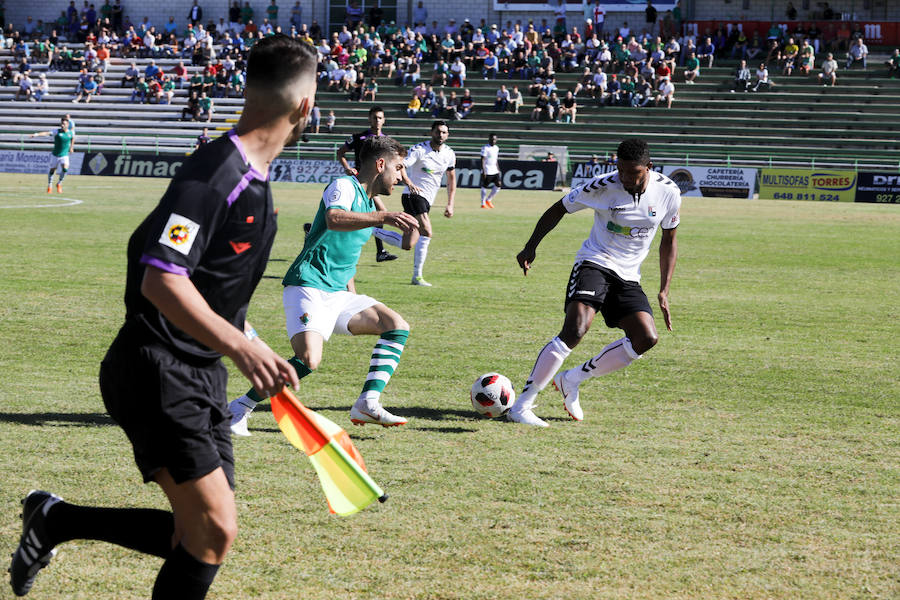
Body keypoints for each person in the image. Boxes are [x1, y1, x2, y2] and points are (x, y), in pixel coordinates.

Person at [9, 35, 316, 599]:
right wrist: (244, 350)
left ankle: (56, 520)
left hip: (199, 372)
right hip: (157, 367)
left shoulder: (254, 178)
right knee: (213, 528)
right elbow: (160, 276)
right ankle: (54, 520)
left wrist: (251, 346)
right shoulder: (218, 172)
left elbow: (210, 285)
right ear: (305, 106)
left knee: (201, 536)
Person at [228, 135, 419, 434]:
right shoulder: (344, 186)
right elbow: (334, 218)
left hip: (339, 294)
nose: (401, 176)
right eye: (398, 168)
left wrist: (414, 225)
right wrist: (384, 217)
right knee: (309, 360)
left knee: (396, 324)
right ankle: (240, 407)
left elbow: (404, 243)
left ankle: (367, 402)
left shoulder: (370, 205)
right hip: (309, 284)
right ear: (380, 164)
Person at [509, 139, 680, 427]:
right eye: (621, 171)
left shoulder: (669, 192)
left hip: (628, 275)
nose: (625, 178)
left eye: (633, 173)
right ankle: (522, 406)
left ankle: (572, 379)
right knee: (575, 328)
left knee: (646, 338)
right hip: (595, 261)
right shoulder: (602, 185)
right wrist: (530, 247)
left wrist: (664, 289)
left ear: (649, 168)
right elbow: (558, 208)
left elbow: (669, 240)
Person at [381, 120, 457, 287]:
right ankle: (417, 277)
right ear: (432, 132)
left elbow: (451, 180)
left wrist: (450, 204)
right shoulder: (420, 149)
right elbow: (400, 165)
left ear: (448, 135)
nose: (441, 135)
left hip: (426, 200)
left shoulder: (450, 154)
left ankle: (368, 229)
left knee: (408, 243)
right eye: (438, 131)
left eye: (444, 132)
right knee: (427, 231)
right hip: (413, 196)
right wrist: (408, 182)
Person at [336, 105, 402, 263]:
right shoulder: (359, 138)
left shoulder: (386, 142)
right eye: (374, 117)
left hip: (374, 184)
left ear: (384, 120)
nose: (377, 120)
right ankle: (381, 251)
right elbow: (340, 152)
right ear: (369, 119)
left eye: (380, 118)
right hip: (360, 181)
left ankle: (313, 228)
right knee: (380, 212)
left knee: (360, 213)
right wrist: (347, 168)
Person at [29, 116, 75, 194]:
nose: (62, 125)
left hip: (64, 155)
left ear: (67, 125)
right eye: (62, 124)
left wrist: (71, 147)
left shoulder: (71, 132)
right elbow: (46, 133)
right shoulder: (57, 132)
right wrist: (36, 134)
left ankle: (59, 183)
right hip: (55, 155)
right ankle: (50, 185)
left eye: (64, 124)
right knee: (52, 170)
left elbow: (72, 138)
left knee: (65, 169)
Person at [480, 133, 501, 209]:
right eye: (492, 139)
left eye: (495, 139)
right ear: (489, 139)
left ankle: (488, 200)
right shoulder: (485, 148)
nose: (493, 141)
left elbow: (495, 159)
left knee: (498, 184)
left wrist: (498, 169)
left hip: (494, 169)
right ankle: (483, 203)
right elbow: (482, 160)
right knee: (484, 186)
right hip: (487, 170)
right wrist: (484, 171)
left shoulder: (496, 148)